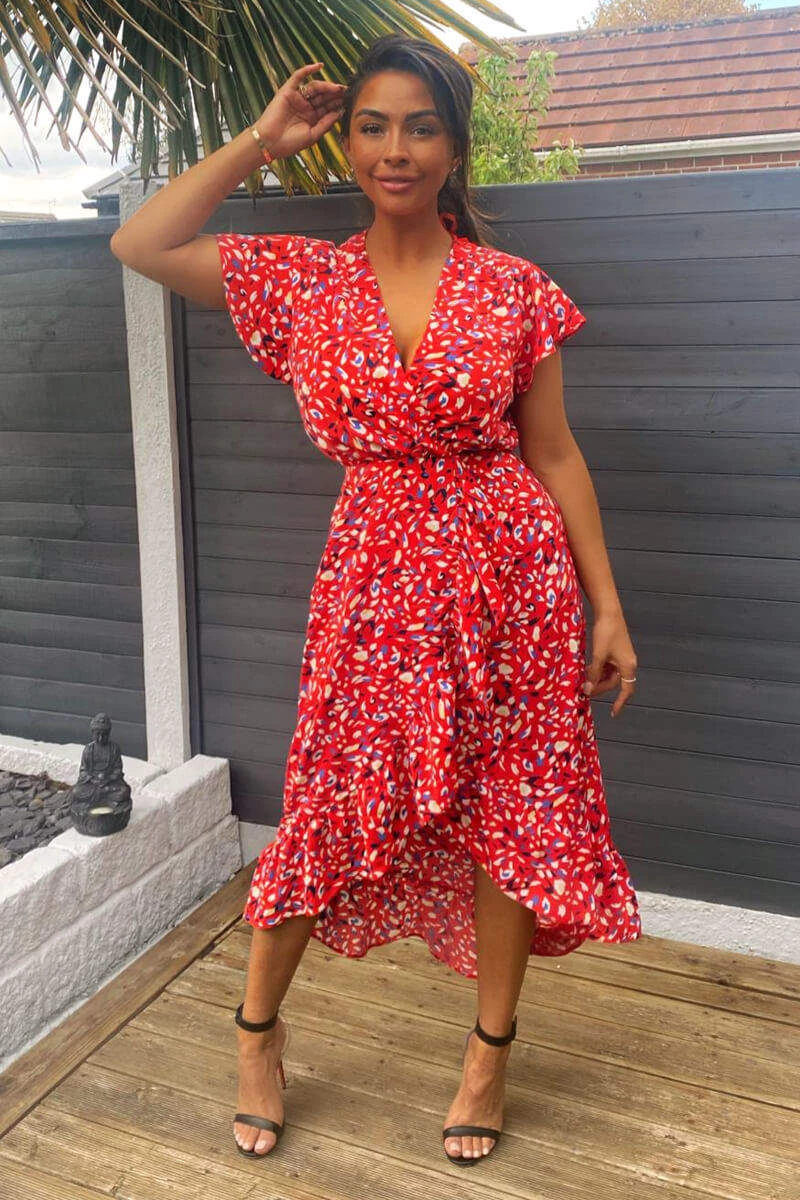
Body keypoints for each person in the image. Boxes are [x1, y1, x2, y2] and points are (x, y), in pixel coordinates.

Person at [111, 32, 642, 1168]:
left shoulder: (513, 290)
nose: (395, 149)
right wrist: (262, 142)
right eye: (372, 125)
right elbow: (139, 240)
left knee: (510, 812)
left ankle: (488, 1055)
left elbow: (554, 453)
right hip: (374, 584)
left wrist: (606, 605)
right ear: (346, 141)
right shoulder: (301, 280)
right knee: (328, 798)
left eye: (420, 126)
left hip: (512, 583)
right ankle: (258, 1031)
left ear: (454, 147)